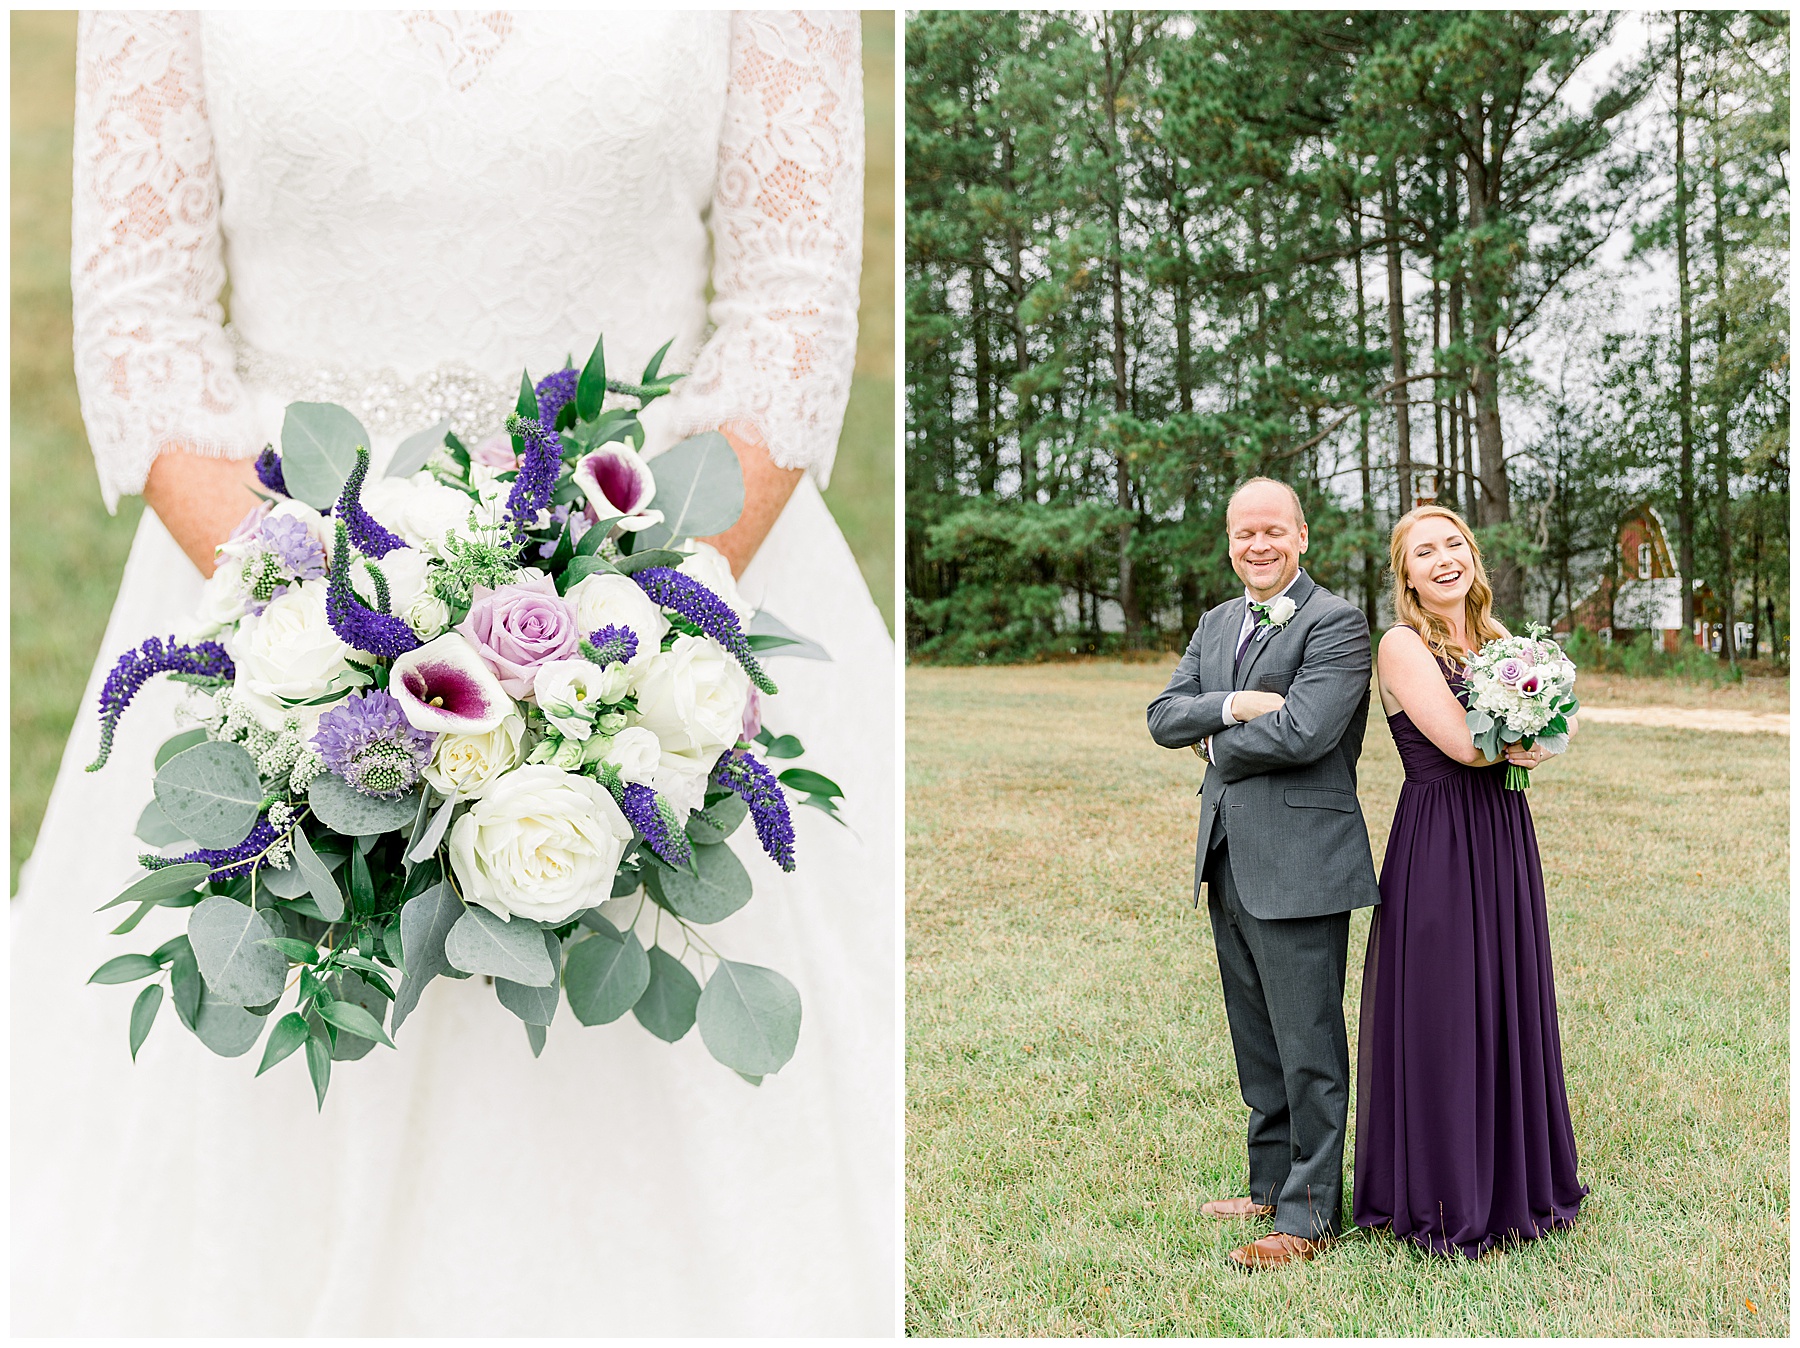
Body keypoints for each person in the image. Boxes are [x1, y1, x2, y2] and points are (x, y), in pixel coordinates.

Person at [13, 12, 893, 1335]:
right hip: (275, 593)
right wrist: (310, 629)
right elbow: (143, 321)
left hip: (667, 583)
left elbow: (791, 307)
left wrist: (633, 624)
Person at [1147, 477, 1379, 1270]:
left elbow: (1308, 730)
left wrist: (1213, 739)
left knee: (1309, 1040)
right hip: (1228, 857)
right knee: (1257, 1038)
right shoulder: (1216, 623)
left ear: (1302, 537)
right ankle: (1268, 1182)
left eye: (1274, 531)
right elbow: (1161, 715)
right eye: (1245, 532)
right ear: (1229, 540)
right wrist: (1239, 704)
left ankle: (1310, 1216)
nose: (1259, 545)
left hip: (1305, 862)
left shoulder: (1338, 623)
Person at [1352, 505, 1586, 1257]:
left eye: (1454, 544)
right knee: (1447, 1007)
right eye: (1426, 551)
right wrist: (1529, 734)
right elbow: (1462, 746)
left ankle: (1515, 1178)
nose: (1444, 558)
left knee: (1506, 996)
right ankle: (1446, 1191)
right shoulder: (1400, 645)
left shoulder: (1497, 640)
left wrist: (1549, 732)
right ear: (1408, 575)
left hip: (1502, 839)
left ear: (1472, 557)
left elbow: (1563, 716)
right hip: (1441, 843)